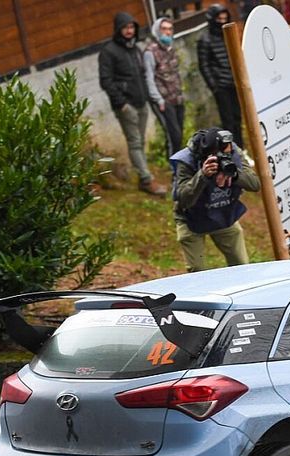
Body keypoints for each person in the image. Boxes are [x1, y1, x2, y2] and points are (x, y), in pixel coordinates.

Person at [169, 128, 259, 271]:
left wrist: (235, 174)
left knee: (242, 266)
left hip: (223, 214)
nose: (225, 156)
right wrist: (202, 176)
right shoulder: (187, 160)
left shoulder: (234, 152)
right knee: (197, 271)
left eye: (228, 153)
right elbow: (184, 200)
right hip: (192, 219)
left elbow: (255, 184)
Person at [99, 12, 167, 197]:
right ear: (118, 29)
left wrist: (148, 97)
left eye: (132, 27)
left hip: (141, 103)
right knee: (135, 142)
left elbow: (143, 75)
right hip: (126, 106)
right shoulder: (109, 51)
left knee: (140, 141)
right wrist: (121, 104)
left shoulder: (135, 49)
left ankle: (143, 176)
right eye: (125, 27)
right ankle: (146, 179)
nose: (129, 31)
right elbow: (106, 81)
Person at [198, 5, 243, 147]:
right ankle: (232, 149)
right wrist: (214, 87)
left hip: (234, 83)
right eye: (219, 19)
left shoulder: (230, 35)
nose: (222, 21)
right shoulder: (205, 40)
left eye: (225, 18)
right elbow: (204, 65)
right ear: (212, 19)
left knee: (238, 118)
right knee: (228, 120)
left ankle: (242, 148)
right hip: (221, 86)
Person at [144, 17, 186, 161]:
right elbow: (149, 78)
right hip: (165, 101)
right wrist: (159, 100)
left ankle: (181, 167)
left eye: (170, 29)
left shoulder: (171, 49)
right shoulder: (150, 52)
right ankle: (175, 167)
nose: (168, 32)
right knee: (174, 136)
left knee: (180, 133)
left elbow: (175, 73)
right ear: (157, 31)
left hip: (178, 98)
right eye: (164, 29)